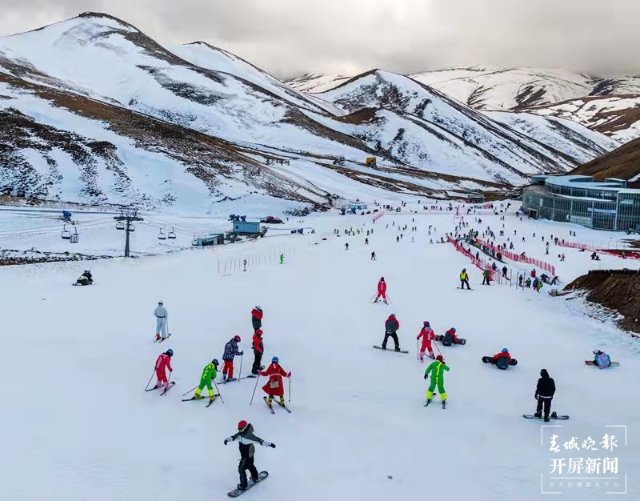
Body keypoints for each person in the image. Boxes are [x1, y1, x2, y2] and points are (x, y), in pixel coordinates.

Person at [224, 421, 275, 492]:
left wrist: (269, 444)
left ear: (245, 428)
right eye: (239, 429)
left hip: (246, 456)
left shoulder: (249, 436)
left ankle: (244, 485)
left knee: (241, 469)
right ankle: (255, 477)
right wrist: (227, 439)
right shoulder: (240, 433)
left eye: (241, 429)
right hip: (250, 454)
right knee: (250, 465)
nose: (239, 430)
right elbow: (234, 437)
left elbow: (260, 441)